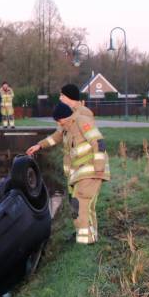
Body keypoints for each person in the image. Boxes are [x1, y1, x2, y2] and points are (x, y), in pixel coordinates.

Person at [26, 101, 110, 245]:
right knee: (84, 206)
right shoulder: (66, 127)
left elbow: (99, 143)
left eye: (59, 121)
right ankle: (90, 237)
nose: (59, 124)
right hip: (78, 173)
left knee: (80, 204)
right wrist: (39, 145)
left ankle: (86, 242)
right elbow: (55, 137)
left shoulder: (82, 122)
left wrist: (98, 168)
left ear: (65, 117)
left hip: (90, 171)